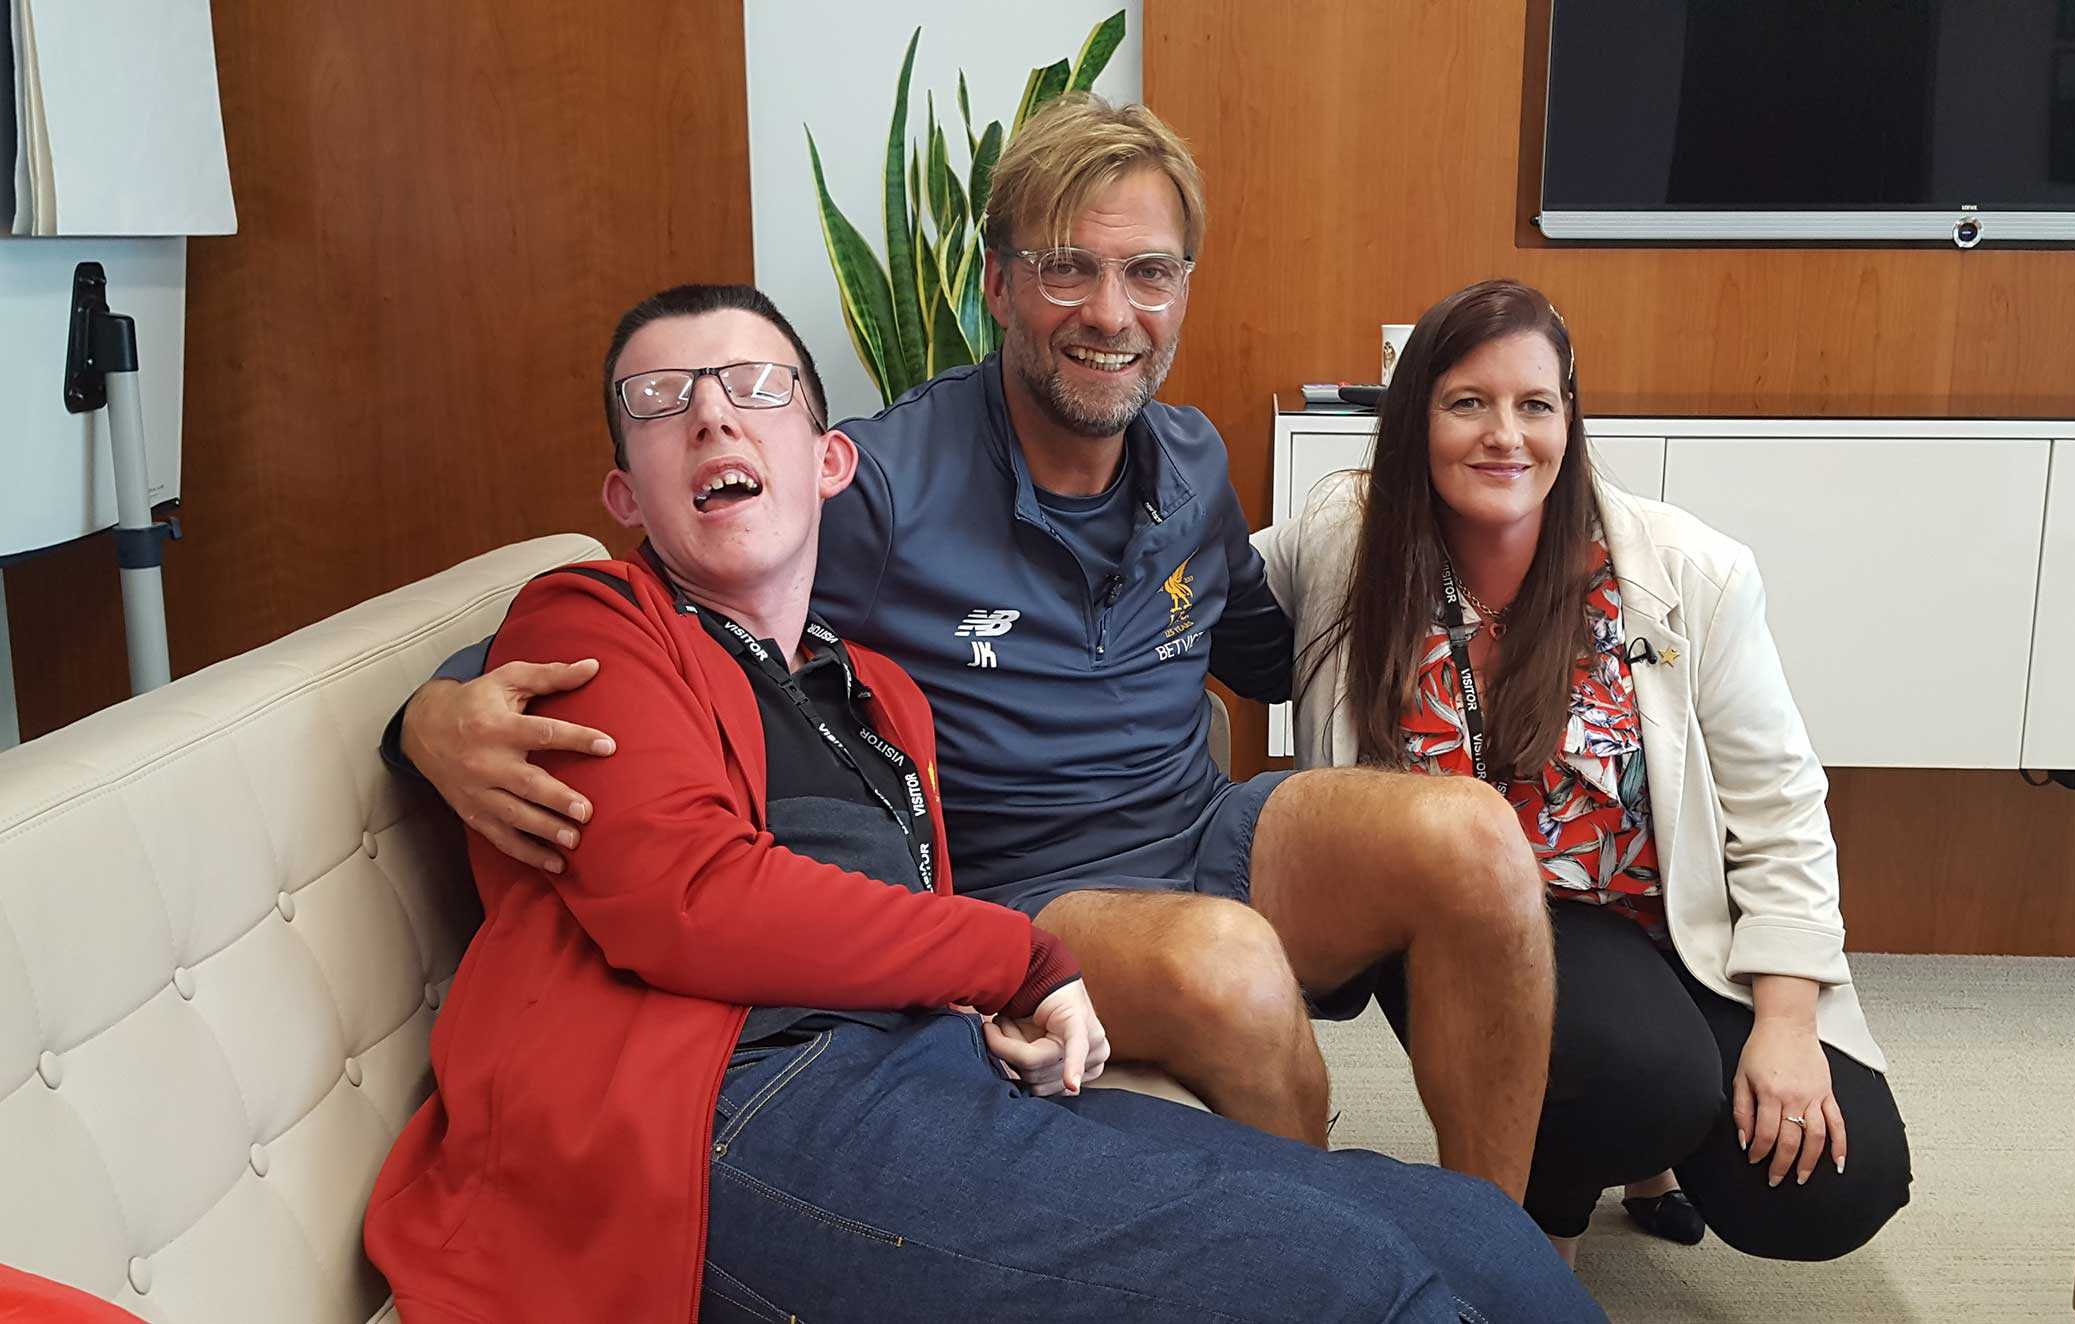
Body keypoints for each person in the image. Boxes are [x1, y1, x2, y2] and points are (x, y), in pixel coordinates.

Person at [387, 96, 1559, 1201]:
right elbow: (677, 584)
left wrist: (1461, 575)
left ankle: (1495, 1248)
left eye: (1147, 272)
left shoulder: (1192, 457)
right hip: (1025, 887)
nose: (1111, 312)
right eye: (1067, 268)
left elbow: (1264, 646)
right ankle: (1328, 1271)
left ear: (1181, 290)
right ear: (997, 284)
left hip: (1209, 829)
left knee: (1470, 835)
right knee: (1229, 966)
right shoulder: (882, 483)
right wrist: (436, 710)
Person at [1254, 278, 1913, 1263]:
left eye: (1534, 404)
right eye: (1465, 402)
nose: (1502, 436)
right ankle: (1542, 1220)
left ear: (1570, 415)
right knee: (1636, 1077)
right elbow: (1191, 595)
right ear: (1414, 420)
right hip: (1461, 923)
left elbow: (1778, 804)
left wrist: (1784, 1018)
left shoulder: (1686, 569)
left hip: (1663, 918)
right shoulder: (1345, 538)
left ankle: (1632, 1139)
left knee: (1829, 1183)